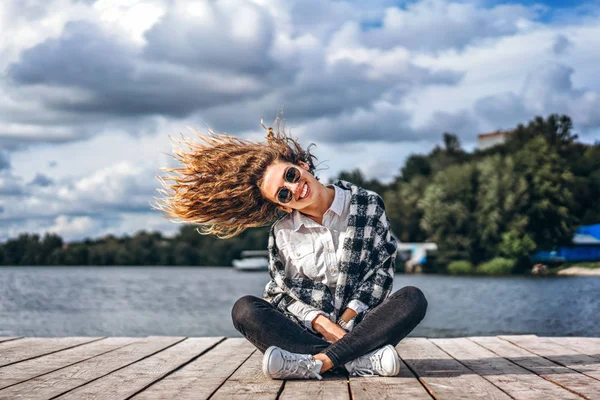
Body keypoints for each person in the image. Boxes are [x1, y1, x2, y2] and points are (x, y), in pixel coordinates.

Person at [154, 120, 428, 380]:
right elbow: (281, 294)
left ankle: (316, 364)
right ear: (283, 206)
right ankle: (360, 361)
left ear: (302, 165)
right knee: (245, 310)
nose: (294, 188)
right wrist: (322, 325)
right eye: (283, 193)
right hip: (307, 332)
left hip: (363, 325)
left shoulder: (367, 204)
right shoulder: (281, 233)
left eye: (291, 175)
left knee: (412, 299)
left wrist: (344, 324)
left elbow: (381, 272)